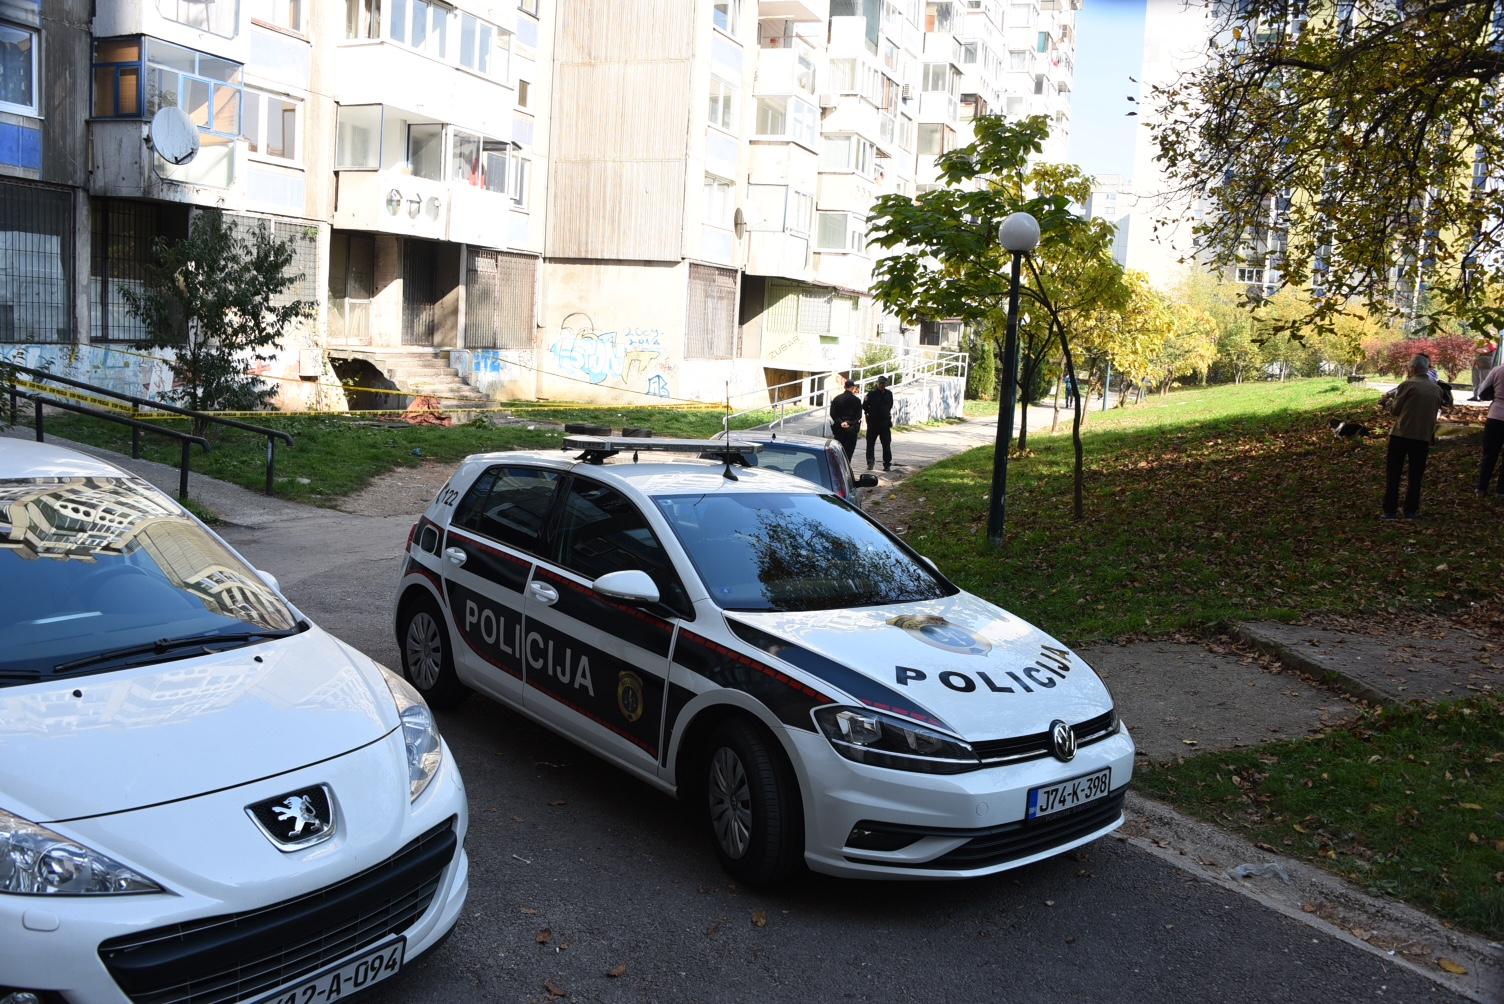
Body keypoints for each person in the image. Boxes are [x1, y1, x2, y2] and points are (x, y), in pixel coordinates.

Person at [1379, 354, 1448, 519]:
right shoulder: (1437, 389)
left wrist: (1387, 404)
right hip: (1423, 437)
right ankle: (1411, 510)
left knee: (1394, 474)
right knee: (1416, 476)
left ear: (1413, 368)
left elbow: (1395, 411)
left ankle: (1390, 511)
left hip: (1401, 435)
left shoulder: (1408, 385)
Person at [1477, 358, 1504, 498]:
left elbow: (1482, 391)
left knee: (1489, 455)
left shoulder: (1498, 370)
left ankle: (1482, 488)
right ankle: (1501, 490)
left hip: (1496, 416)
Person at [863, 375, 895, 472]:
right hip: (873, 423)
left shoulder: (889, 394)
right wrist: (871, 414)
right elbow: (864, 406)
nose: (881, 385)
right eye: (880, 383)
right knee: (870, 444)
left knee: (886, 444)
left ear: (886, 384)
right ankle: (870, 463)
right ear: (877, 383)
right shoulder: (871, 394)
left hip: (885, 423)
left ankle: (887, 464)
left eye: (883, 383)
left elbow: (890, 405)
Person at [829, 378, 862, 462]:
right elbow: (858, 416)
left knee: (838, 451)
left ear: (844, 387)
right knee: (849, 453)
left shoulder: (837, 399)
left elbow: (833, 414)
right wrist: (848, 422)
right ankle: (847, 467)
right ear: (853, 387)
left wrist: (841, 422)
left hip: (839, 429)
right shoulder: (857, 400)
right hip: (851, 429)